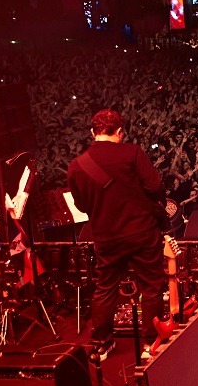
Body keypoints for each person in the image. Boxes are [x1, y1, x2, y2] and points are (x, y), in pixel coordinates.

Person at [67, 109, 166, 362]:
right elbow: (155, 186)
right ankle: (150, 343)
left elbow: (81, 206)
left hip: (106, 236)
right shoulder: (132, 153)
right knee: (151, 286)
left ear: (93, 132)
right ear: (120, 132)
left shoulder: (77, 165)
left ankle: (102, 344)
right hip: (142, 231)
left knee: (105, 289)